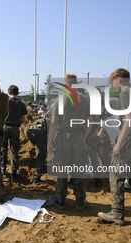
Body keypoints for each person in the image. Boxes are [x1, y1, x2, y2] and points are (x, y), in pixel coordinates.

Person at [98, 68, 131, 225]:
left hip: (127, 139)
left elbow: (129, 119)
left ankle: (116, 212)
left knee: (115, 175)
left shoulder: (124, 94)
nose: (113, 86)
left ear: (119, 79)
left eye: (113, 82)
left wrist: (119, 143)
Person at [47, 73, 92, 211]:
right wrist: (82, 136)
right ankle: (80, 201)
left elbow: (54, 123)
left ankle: (60, 200)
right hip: (78, 136)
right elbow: (89, 122)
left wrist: (50, 141)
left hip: (62, 136)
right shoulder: (85, 100)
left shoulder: (59, 100)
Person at [0, 85, 27, 181]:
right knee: (14, 150)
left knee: (3, 147)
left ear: (9, 93)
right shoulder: (21, 104)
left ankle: (2, 166)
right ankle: (14, 172)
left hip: (3, 127)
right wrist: (17, 124)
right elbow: (23, 120)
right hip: (14, 128)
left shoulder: (4, 102)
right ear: (18, 93)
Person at [27, 118, 49, 184]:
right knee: (41, 154)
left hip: (30, 131)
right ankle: (36, 179)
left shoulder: (46, 120)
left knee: (40, 150)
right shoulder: (54, 122)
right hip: (39, 131)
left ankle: (41, 168)